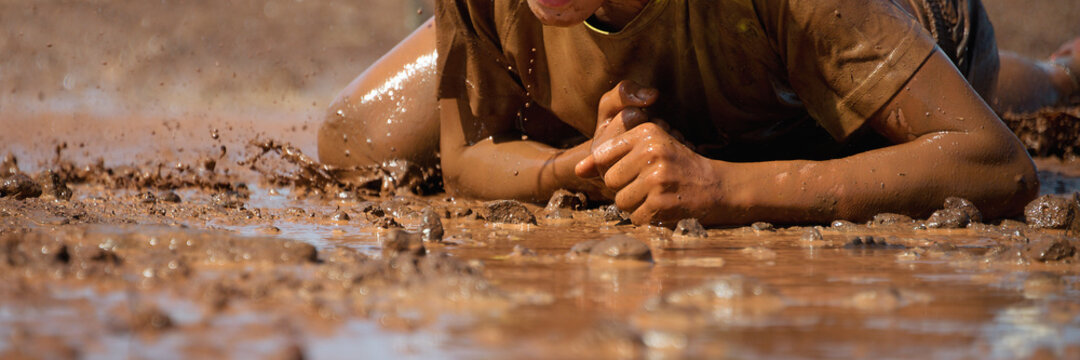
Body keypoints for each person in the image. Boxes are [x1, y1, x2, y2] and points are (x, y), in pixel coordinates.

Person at [318, 0, 1080, 226]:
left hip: (887, 30)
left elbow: (995, 165)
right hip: (667, 64)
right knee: (357, 139)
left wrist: (724, 189)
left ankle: (1054, 76)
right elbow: (464, 159)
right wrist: (582, 165)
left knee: (918, 107)